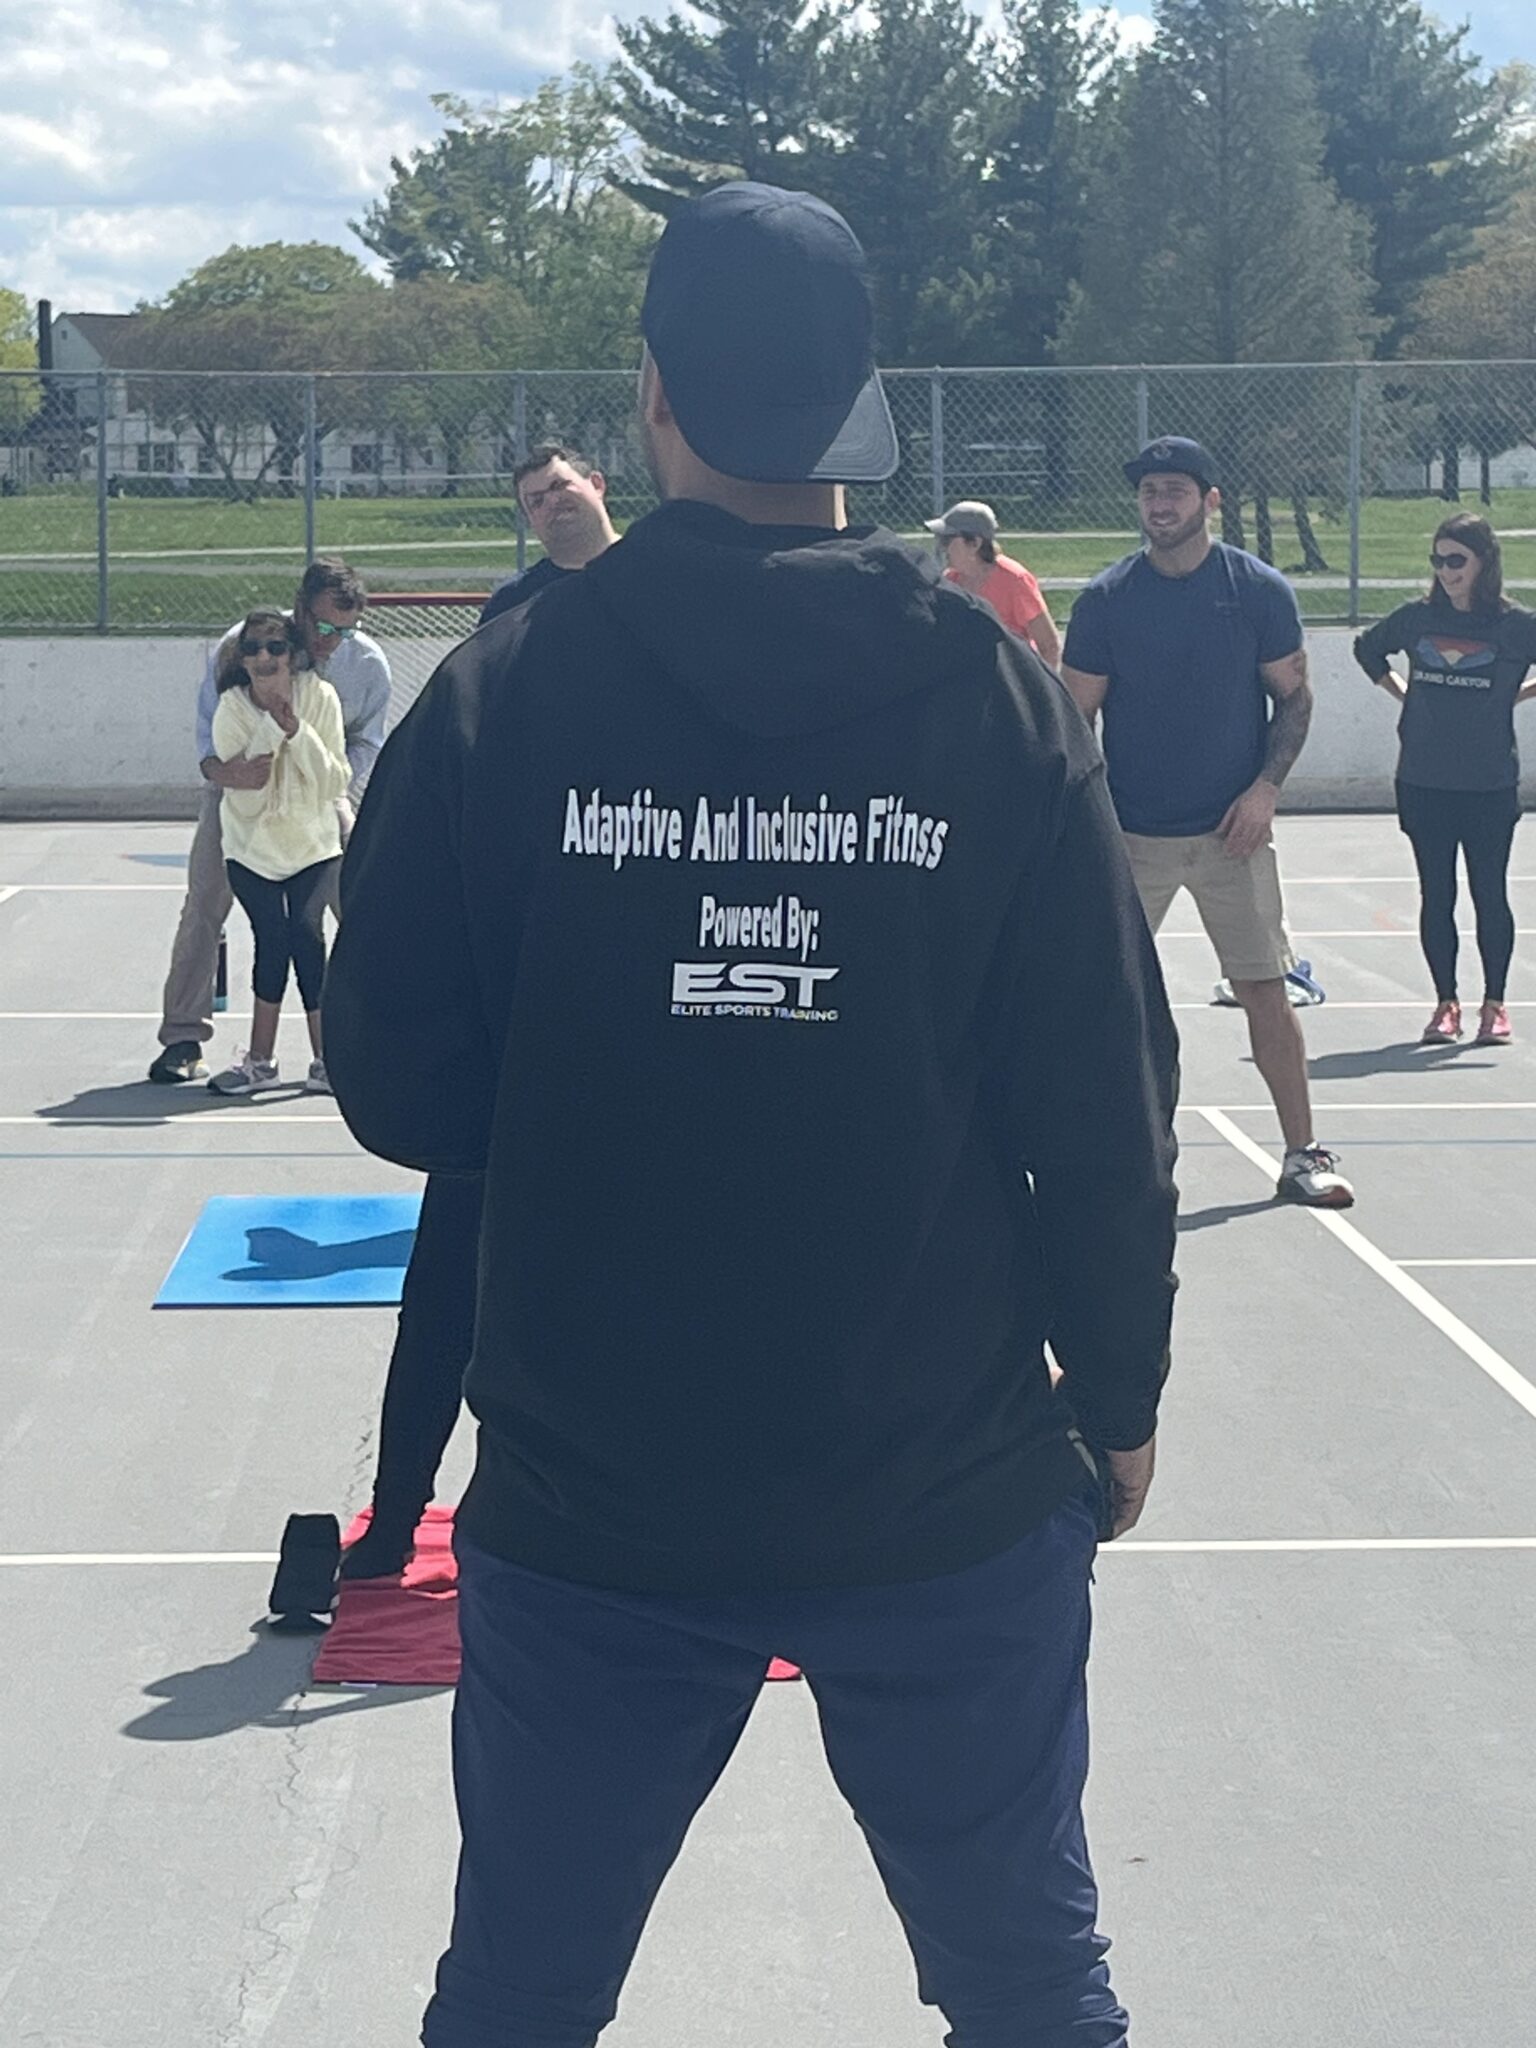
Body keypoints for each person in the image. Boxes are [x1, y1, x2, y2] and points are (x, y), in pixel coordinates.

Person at [327, 181, 1178, 2048]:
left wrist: (610, 1067)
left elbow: (393, 1080)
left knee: (521, 1992)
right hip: (941, 1478)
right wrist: (1113, 1396)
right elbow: (1107, 1097)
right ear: (864, 406)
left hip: (595, 1491)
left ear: (651, 395)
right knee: (1031, 1986)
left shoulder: (508, 689)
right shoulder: (998, 697)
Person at [341, 508, 620, 1583]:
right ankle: (401, 1507)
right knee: (445, 1311)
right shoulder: (472, 758)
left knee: (572, 1324)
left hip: (587, 1101)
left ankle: (550, 1514)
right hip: (494, 1109)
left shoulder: (623, 779)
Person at [1061, 435, 1353, 1209]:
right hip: (1131, 837)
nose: (1160, 504)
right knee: (1093, 997)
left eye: (1176, 492)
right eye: (1150, 491)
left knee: (1265, 990)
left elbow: (1293, 696)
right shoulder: (1106, 601)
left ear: (1209, 501)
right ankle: (1081, 1155)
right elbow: (1072, 720)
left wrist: (1264, 790)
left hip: (1235, 835)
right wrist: (1088, 825)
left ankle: (1302, 1154)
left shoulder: (1257, 591)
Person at [147, 558, 390, 1085]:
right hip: (240, 790)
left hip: (322, 792)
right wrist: (226, 772)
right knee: (205, 900)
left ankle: (375, 1035)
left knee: (360, 900)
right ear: (300, 608)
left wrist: (335, 791)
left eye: (346, 630)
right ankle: (183, 1036)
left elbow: (366, 742)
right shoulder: (248, 644)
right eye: (324, 626)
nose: (332, 640)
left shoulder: (367, 665)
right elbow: (208, 741)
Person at [1353, 514, 1536, 1046]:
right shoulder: (1417, 619)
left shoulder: (1513, 626)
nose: (1446, 571)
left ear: (1484, 562)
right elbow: (1368, 649)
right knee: (1437, 894)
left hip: (1488, 784)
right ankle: (1446, 1004)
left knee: (1489, 894)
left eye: (1456, 560)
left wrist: (1514, 694)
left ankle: (1495, 1004)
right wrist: (1402, 693)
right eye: (1438, 560)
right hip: (1424, 782)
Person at [205, 610, 350, 1095]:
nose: (264, 658)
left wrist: (297, 731)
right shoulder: (232, 708)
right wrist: (272, 727)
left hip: (312, 846)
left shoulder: (320, 698)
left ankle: (328, 1061)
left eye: (274, 648)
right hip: (251, 849)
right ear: (242, 661)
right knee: (272, 941)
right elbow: (248, 791)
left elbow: (334, 781)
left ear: (292, 653)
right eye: (253, 650)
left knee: (308, 934)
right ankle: (261, 1062)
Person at [479, 443, 619, 626]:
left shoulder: (656, 569)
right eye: (537, 501)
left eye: (560, 485)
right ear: (528, 518)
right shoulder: (512, 603)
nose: (553, 501)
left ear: (596, 484)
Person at [925, 499, 1062, 665]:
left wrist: (1041, 689)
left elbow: (1049, 644)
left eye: (947, 540)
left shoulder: (1014, 580)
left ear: (974, 543)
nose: (942, 547)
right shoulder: (950, 581)